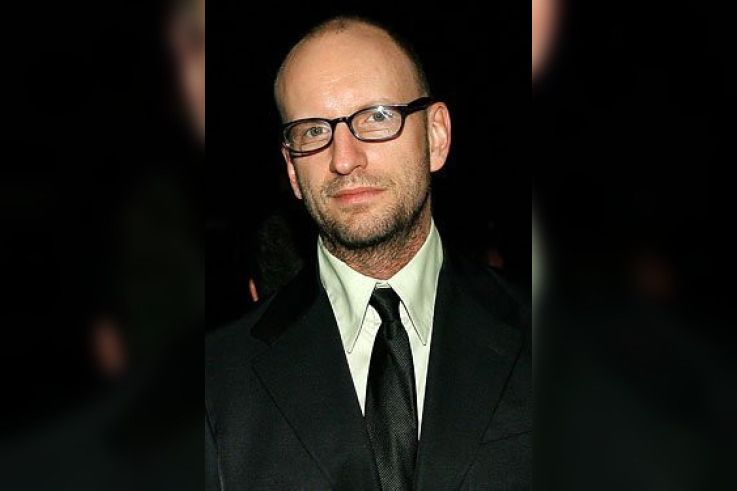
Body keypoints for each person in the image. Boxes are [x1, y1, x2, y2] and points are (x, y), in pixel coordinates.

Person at [206, 16, 530, 489]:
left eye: (377, 117)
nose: (344, 159)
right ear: (292, 170)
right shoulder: (215, 380)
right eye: (313, 131)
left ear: (436, 136)